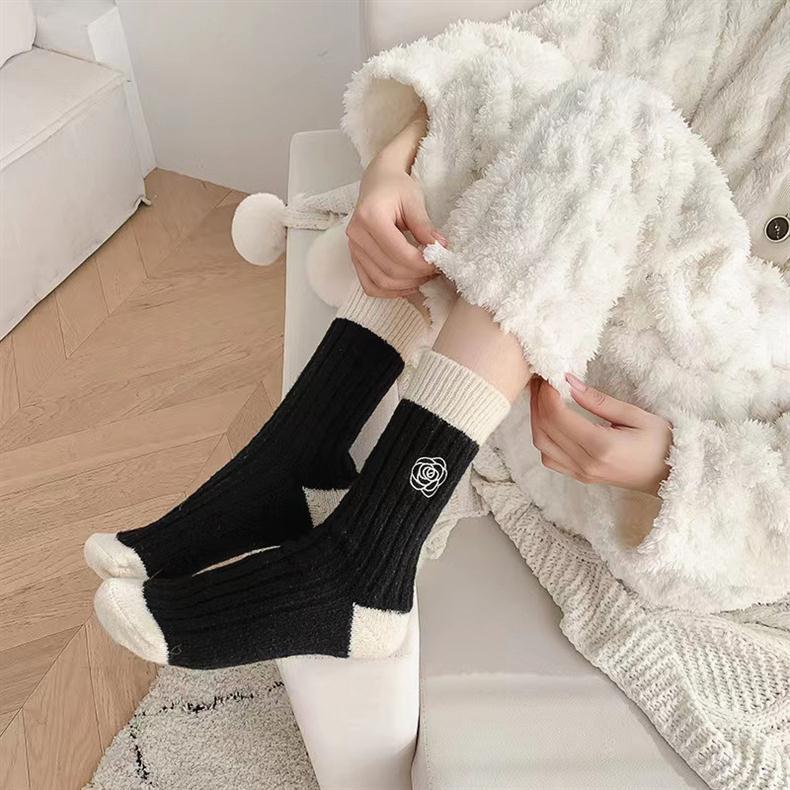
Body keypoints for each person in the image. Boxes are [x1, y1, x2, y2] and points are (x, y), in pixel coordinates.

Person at [85, 1, 789, 669]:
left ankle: (369, 555)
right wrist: (389, 168)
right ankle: (300, 456)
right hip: (536, 359)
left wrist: (674, 469)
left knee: (623, 124)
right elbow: (525, 50)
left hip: (690, 470)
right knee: (510, 79)